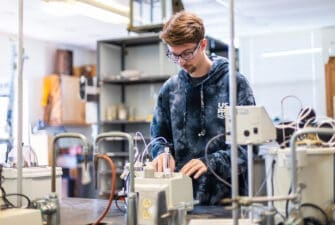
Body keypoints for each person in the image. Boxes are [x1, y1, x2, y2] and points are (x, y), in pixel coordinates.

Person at [150, 11, 256, 205]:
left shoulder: (234, 84)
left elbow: (248, 147)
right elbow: (158, 138)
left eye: (187, 53)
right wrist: (162, 153)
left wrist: (211, 162)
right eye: (174, 55)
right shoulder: (170, 90)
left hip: (227, 201)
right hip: (181, 200)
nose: (181, 61)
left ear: (203, 45)